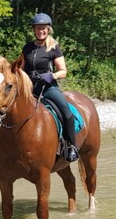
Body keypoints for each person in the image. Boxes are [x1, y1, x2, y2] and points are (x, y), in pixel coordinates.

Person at [21, 12, 79, 162]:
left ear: (49, 29)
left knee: (66, 112)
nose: (41, 31)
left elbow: (63, 71)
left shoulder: (54, 47)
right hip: (29, 88)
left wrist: (52, 76)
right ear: (34, 30)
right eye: (38, 28)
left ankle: (71, 146)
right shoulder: (27, 48)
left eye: (44, 28)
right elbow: (20, 69)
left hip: (47, 87)